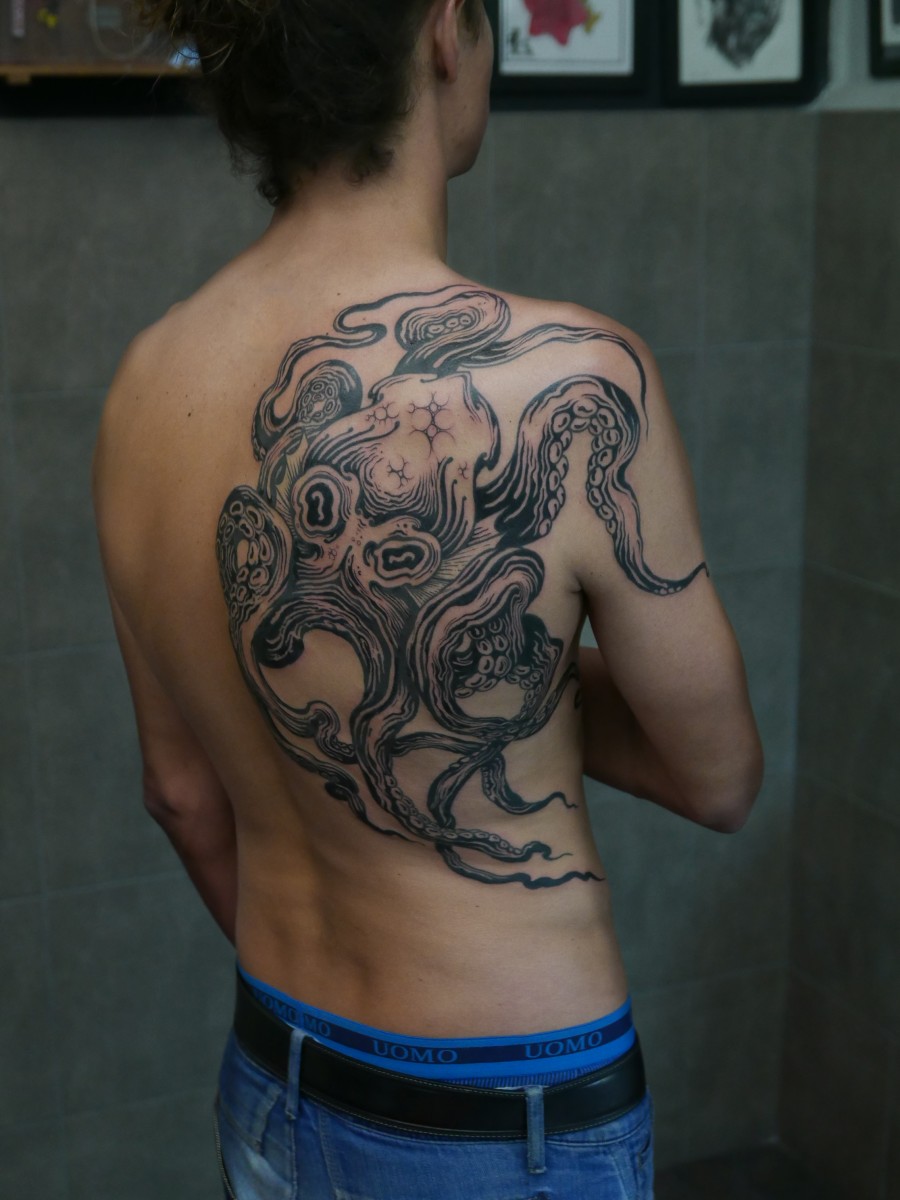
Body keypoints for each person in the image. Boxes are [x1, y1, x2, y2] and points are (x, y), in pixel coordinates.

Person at [92, 1, 763, 1196]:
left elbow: (180, 794)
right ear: (448, 29)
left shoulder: (145, 384)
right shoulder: (573, 377)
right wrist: (506, 679)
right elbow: (718, 776)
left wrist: (462, 674)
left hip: (277, 1070)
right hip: (505, 1116)